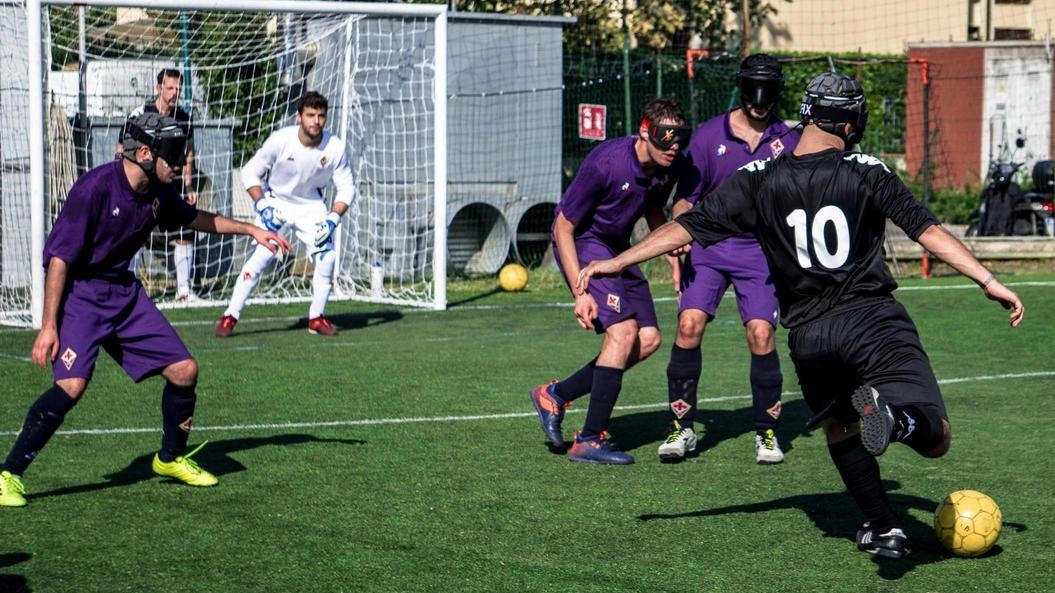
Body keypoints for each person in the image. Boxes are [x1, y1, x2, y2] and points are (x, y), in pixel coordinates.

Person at [577, 72, 1024, 557]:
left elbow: (688, 226)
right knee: (936, 435)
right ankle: (897, 423)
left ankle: (883, 526)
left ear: (807, 114)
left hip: (809, 336)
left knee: (841, 426)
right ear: (851, 122)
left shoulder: (759, 177)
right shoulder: (867, 169)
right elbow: (926, 230)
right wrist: (987, 279)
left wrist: (617, 260)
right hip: (872, 321)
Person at [0, 113, 292, 507]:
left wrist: (253, 230)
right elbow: (59, 261)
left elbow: (198, 218)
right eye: (173, 156)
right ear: (143, 153)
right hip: (81, 296)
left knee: (185, 370)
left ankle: (169, 459)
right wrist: (48, 325)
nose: (180, 164)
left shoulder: (157, 189)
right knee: (71, 386)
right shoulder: (94, 189)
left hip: (123, 293)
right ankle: (9, 474)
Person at [528, 98, 692, 465]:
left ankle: (554, 394)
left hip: (617, 247)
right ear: (645, 132)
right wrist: (580, 292)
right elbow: (563, 226)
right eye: (666, 139)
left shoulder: (672, 162)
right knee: (622, 332)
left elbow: (653, 205)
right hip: (584, 241)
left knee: (648, 340)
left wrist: (666, 248)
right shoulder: (606, 163)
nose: (674, 147)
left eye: (680, 139)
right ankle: (589, 439)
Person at [659, 53, 800, 464]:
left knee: (761, 334)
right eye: (752, 94)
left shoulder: (788, 141)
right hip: (708, 243)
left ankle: (767, 433)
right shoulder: (707, 137)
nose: (759, 103)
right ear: (741, 88)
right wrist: (680, 235)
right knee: (688, 325)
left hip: (759, 250)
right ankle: (681, 429)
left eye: (767, 95)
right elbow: (684, 200)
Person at [215, 91, 355, 338]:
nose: (316, 121)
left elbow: (347, 187)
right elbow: (250, 173)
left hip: (311, 206)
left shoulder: (334, 147)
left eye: (321, 116)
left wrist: (333, 218)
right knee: (261, 258)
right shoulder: (281, 140)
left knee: (328, 258)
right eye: (310, 115)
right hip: (276, 203)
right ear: (299, 117)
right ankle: (230, 316)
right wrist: (261, 205)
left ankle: (316, 318)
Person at [118, 68, 200, 303]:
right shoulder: (141, 113)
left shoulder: (184, 118)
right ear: (158, 88)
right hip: (143, 185)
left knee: (184, 231)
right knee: (133, 233)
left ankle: (184, 291)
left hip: (170, 186)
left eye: (178, 89)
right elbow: (121, 149)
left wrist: (189, 186)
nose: (174, 93)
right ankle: (127, 287)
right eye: (170, 88)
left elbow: (188, 154)